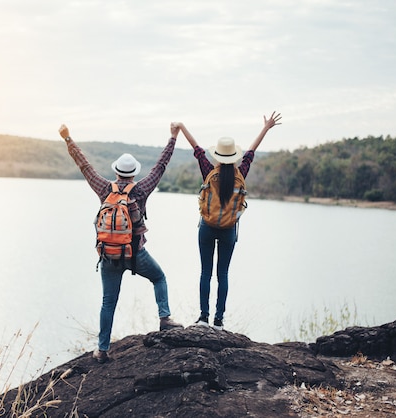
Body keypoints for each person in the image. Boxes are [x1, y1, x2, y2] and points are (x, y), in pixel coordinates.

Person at [58, 123, 183, 363]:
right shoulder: (142, 189)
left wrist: (68, 139)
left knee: (108, 303)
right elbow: (161, 165)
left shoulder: (105, 189)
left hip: (109, 256)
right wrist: (172, 137)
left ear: (116, 172)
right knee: (159, 278)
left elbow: (84, 166)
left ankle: (102, 349)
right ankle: (165, 319)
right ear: (134, 173)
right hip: (136, 255)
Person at [175, 112, 282, 330]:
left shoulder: (208, 171)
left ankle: (203, 318)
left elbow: (196, 148)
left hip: (206, 227)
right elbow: (252, 151)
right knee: (222, 274)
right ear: (234, 157)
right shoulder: (241, 171)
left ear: (217, 156)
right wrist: (266, 128)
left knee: (205, 273)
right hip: (229, 230)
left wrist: (181, 126)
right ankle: (219, 322)